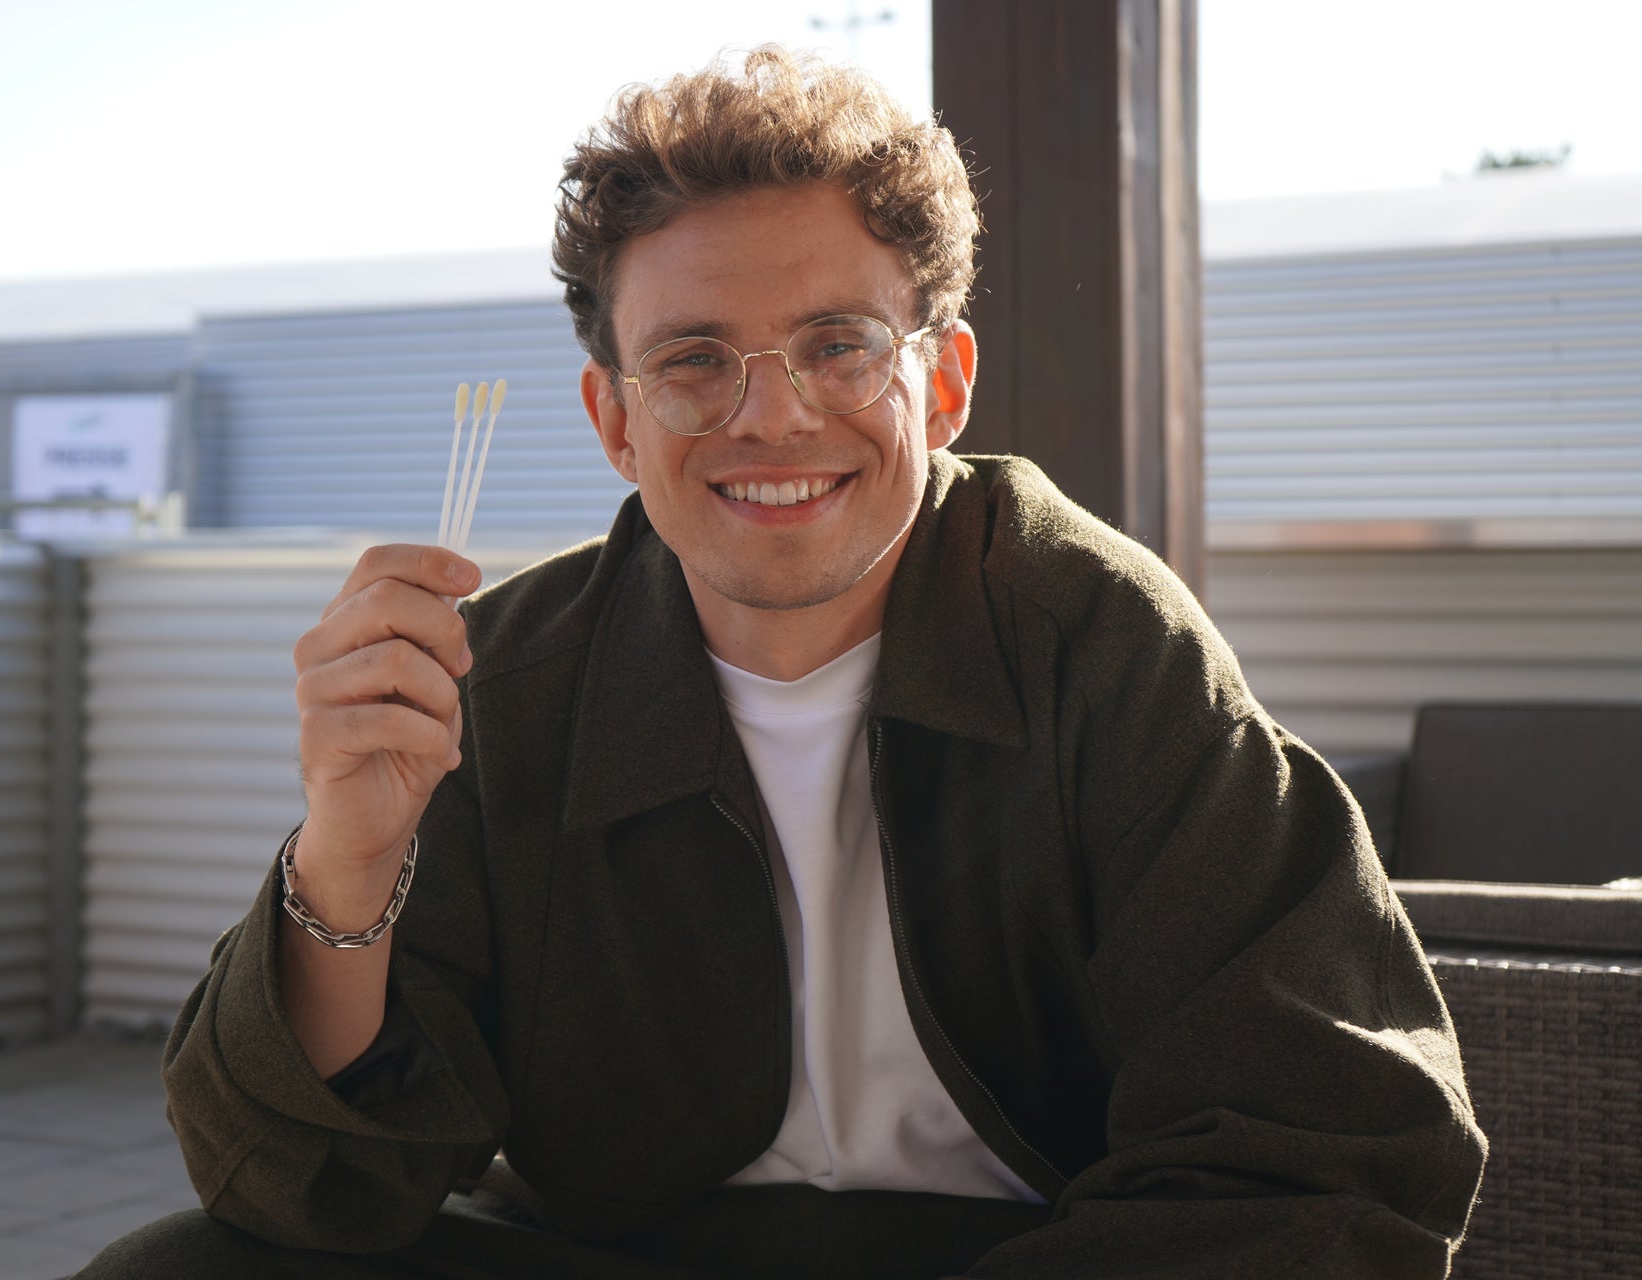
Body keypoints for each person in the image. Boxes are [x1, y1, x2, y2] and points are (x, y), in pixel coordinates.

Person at [77, 47, 1486, 1280]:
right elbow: (295, 1188)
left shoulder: (1100, 641)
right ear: (615, 420)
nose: (774, 415)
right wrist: (347, 859)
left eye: (839, 345)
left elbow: (1326, 1143)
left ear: (939, 382)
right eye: (695, 359)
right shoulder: (498, 681)